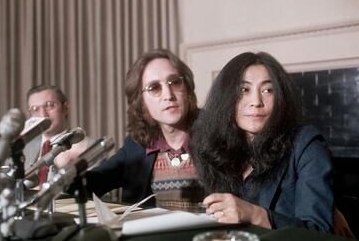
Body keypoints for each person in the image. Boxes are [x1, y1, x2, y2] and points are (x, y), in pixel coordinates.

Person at [190, 52, 334, 232]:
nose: (256, 102)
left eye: (268, 90)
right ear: (226, 97)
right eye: (244, 90)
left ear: (280, 97)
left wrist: (254, 214)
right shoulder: (215, 147)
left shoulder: (307, 143)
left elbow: (318, 231)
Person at [85, 49, 204, 211]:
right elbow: (91, 185)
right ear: (141, 102)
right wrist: (69, 168)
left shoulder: (219, 134)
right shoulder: (137, 146)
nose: (168, 95)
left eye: (175, 82)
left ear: (188, 89)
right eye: (154, 88)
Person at [23, 85, 93, 188]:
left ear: (65, 108)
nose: (43, 114)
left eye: (49, 105)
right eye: (35, 109)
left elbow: (100, 193)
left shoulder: (89, 146)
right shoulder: (23, 148)